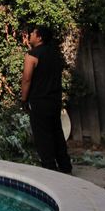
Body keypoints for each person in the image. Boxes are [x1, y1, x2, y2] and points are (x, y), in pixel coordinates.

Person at [21, 25, 72, 174]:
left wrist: (24, 99)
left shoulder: (32, 55)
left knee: (42, 134)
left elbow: (26, 79)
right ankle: (65, 165)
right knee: (57, 132)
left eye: (33, 33)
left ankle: (49, 167)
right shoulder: (56, 54)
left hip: (39, 100)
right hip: (55, 99)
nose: (30, 35)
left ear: (40, 37)